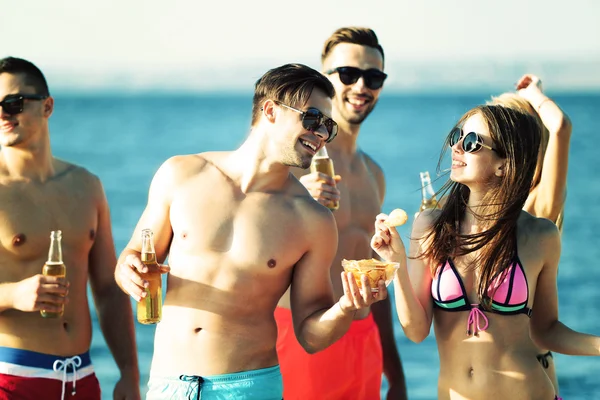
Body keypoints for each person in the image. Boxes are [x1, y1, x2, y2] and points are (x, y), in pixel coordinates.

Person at [114, 63, 387, 400]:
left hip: (248, 388)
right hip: (167, 385)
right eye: (313, 118)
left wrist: (346, 307)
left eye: (328, 126)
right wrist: (126, 269)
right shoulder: (181, 175)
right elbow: (133, 255)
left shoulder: (311, 220)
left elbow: (310, 336)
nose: (321, 133)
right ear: (270, 110)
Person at [371, 104, 600, 399]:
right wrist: (397, 263)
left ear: (504, 163)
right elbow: (416, 330)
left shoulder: (540, 235)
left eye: (471, 143)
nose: (456, 148)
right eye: (457, 137)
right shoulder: (430, 227)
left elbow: (546, 330)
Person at [275, 27, 407, 400]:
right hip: (303, 337)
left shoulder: (374, 174)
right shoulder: (293, 166)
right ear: (324, 78)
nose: (361, 86)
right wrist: (296, 200)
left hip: (364, 341)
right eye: (348, 74)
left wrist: (395, 374)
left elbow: (372, 274)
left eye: (374, 76)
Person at [0, 57, 140, 400]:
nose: (3, 114)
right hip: (12, 378)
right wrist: (13, 294)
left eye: (12, 103)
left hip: (81, 379)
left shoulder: (86, 186)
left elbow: (108, 290)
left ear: (47, 106)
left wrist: (129, 374)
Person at [488, 74, 572, 396]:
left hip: (531, 376)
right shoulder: (482, 210)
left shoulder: (539, 206)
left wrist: (533, 94)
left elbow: (560, 127)